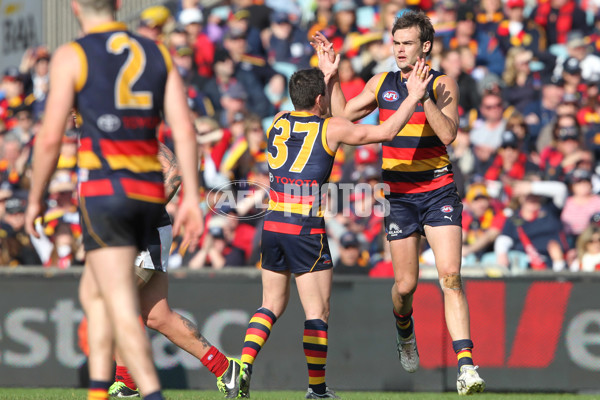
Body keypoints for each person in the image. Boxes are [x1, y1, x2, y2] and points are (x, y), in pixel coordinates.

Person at [24, 2, 203, 400]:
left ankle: (131, 390)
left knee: (110, 300)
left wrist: (35, 198)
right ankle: (115, 389)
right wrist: (191, 195)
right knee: (104, 297)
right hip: (146, 196)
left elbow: (49, 139)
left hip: (107, 194)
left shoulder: (74, 55)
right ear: (119, 5)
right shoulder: (154, 52)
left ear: (74, 7)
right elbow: (185, 130)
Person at [238, 56, 433, 399]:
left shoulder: (279, 121)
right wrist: (414, 97)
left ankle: (243, 363)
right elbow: (386, 132)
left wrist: (330, 77)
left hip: (272, 222)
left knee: (269, 305)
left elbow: (320, 122)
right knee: (317, 312)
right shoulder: (330, 127)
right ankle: (316, 390)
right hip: (305, 226)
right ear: (319, 100)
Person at [312, 9, 486, 395]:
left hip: (438, 189)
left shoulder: (443, 84)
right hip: (399, 196)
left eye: (407, 43)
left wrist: (420, 98)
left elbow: (448, 134)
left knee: (450, 277)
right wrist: (332, 76)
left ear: (425, 46)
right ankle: (404, 329)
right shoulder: (382, 82)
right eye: (396, 43)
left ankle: (466, 365)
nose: (399, 50)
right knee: (405, 286)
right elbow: (343, 113)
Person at [107, 143, 243, 398]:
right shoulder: (92, 130)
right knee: (158, 317)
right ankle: (226, 368)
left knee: (112, 303)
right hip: (123, 233)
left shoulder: (125, 123)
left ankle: (127, 383)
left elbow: (175, 169)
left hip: (143, 233)